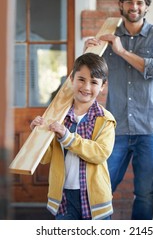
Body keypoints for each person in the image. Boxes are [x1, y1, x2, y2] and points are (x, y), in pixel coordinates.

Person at [84, 0, 153, 220]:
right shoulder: (107, 38)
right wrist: (87, 54)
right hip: (117, 127)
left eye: (139, 2)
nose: (134, 7)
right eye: (129, 2)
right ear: (121, 5)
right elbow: (89, 79)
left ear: (146, 7)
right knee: (102, 189)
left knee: (144, 192)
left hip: (151, 127)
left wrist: (122, 52)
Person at [30, 52, 116, 220]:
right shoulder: (57, 117)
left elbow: (100, 153)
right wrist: (37, 135)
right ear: (71, 79)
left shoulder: (106, 120)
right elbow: (46, 158)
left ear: (103, 86)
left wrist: (67, 138)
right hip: (64, 198)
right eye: (81, 79)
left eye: (94, 82)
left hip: (95, 201)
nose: (86, 87)